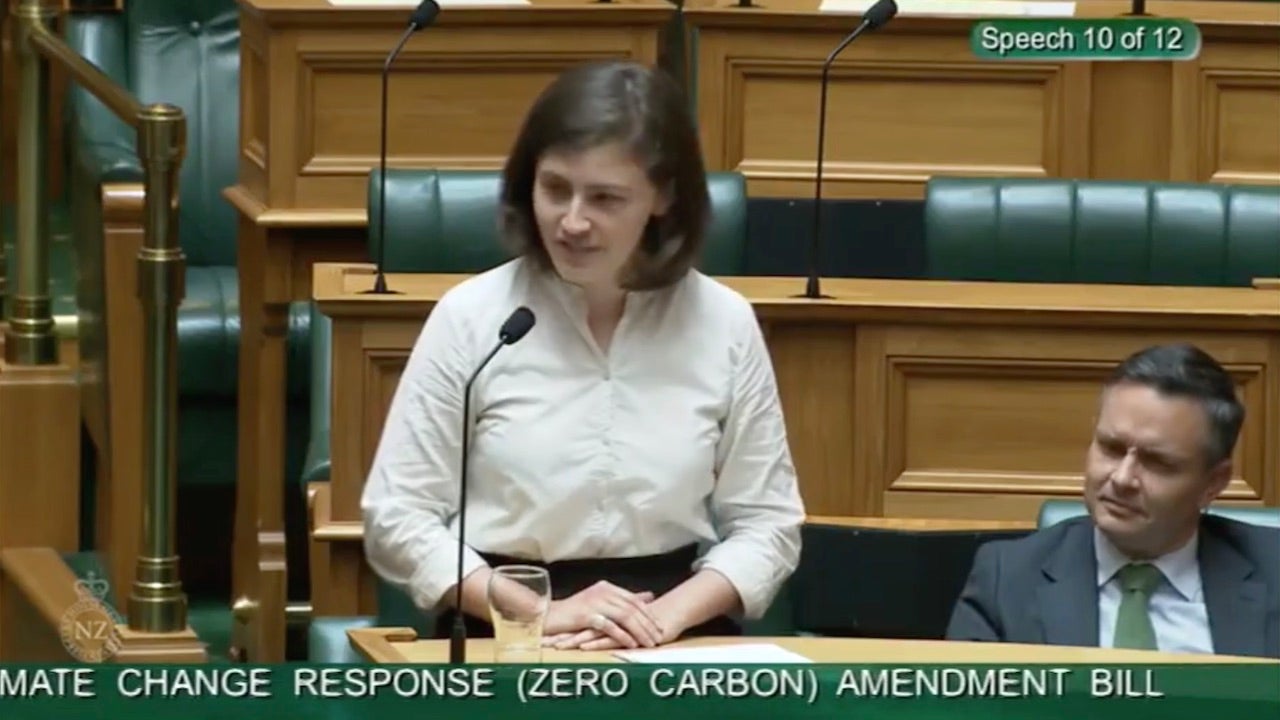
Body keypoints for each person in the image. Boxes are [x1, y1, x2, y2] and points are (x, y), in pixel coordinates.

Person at [360, 60, 805, 652]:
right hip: (506, 627)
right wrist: (540, 611)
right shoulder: (472, 317)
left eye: (605, 198)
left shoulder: (723, 323)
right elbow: (396, 518)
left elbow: (769, 526)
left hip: (671, 635)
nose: (572, 221)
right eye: (554, 189)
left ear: (663, 196)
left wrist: (660, 619)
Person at [946, 343, 1279, 658]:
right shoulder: (1006, 579)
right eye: (1111, 448)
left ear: (1214, 482)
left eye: (1157, 462)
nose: (1121, 478)